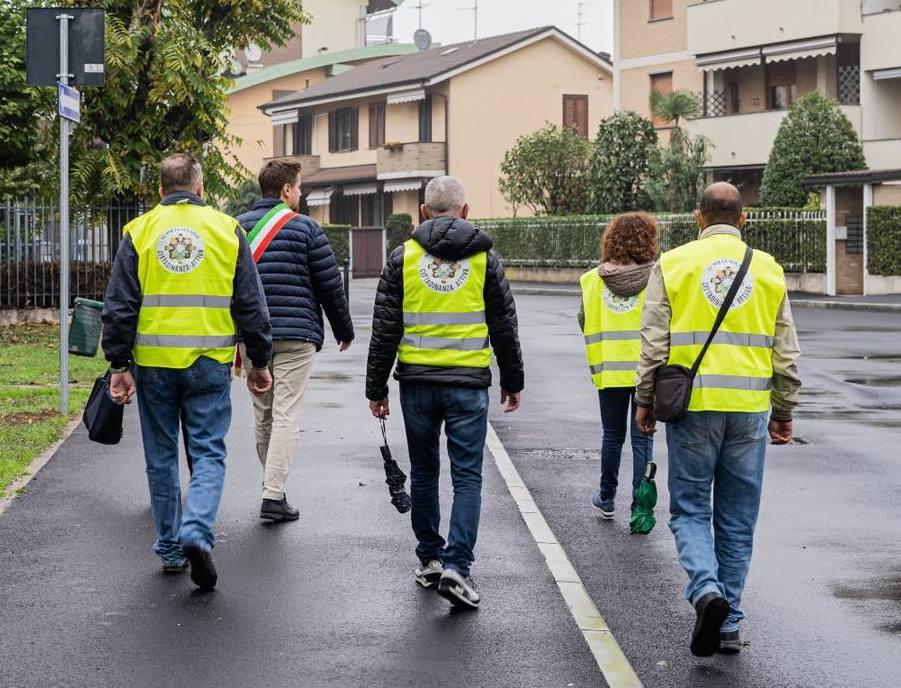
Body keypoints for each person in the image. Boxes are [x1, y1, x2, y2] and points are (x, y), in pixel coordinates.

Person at [634, 182, 801, 656]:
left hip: (693, 410)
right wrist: (784, 410)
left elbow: (653, 345)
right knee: (737, 518)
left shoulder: (673, 264)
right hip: (749, 412)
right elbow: (785, 351)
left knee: (689, 510)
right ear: (743, 219)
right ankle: (730, 621)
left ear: (697, 217)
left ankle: (707, 591)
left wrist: (645, 401)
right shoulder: (768, 269)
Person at [102, 153, 273, 590]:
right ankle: (196, 528)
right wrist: (259, 360)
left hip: (154, 365)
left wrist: (119, 364)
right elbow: (251, 303)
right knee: (209, 452)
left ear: (161, 191)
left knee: (160, 457)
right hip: (209, 363)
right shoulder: (226, 229)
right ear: (200, 188)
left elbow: (119, 306)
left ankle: (172, 548)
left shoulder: (138, 232)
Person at [366, 176, 524, 610]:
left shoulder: (403, 257)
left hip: (416, 384)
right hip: (467, 386)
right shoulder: (485, 258)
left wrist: (375, 388)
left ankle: (430, 559)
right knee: (468, 475)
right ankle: (458, 566)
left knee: (424, 470)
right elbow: (504, 325)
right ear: (466, 211)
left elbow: (384, 330)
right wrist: (513, 381)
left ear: (422, 212)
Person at [235, 159, 354, 521]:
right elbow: (329, 285)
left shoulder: (236, 228)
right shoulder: (306, 229)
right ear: (286, 190)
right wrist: (343, 329)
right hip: (297, 334)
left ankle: (273, 487)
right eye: (298, 187)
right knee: (286, 413)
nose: (300, 194)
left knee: (264, 414)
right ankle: (273, 494)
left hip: (251, 336)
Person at [578, 213, 657, 519]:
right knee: (643, 438)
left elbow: (583, 320)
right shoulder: (658, 277)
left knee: (612, 436)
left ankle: (606, 497)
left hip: (609, 370)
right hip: (646, 373)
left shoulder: (592, 281)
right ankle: (640, 507)